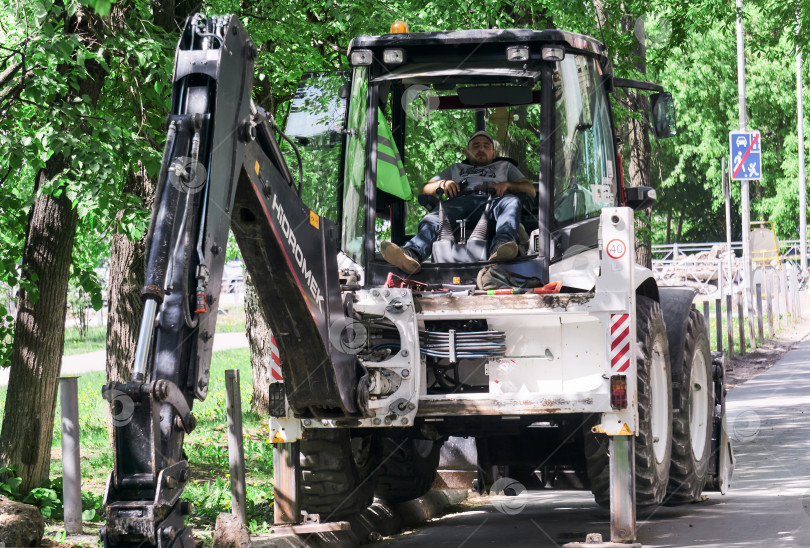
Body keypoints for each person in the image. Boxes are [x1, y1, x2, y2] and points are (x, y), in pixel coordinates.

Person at [381, 131, 536, 275]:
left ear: (494, 153)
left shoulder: (506, 167)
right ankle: (412, 254)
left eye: (486, 146)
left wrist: (508, 185)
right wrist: (442, 184)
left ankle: (501, 246)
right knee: (433, 218)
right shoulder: (456, 168)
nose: (481, 149)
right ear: (467, 153)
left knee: (512, 201)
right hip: (458, 203)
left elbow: (530, 189)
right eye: (476, 146)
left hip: (493, 202)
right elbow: (424, 189)